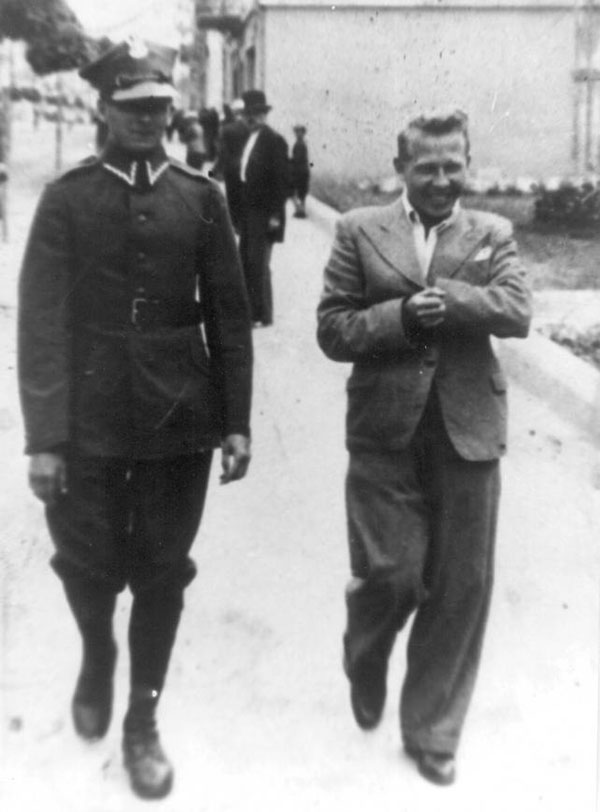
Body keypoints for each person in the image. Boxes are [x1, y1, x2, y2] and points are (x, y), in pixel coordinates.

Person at [17, 37, 252, 801]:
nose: (148, 119)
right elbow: (40, 323)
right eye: (133, 107)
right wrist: (45, 438)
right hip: (86, 418)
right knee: (85, 562)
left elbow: (230, 316)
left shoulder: (201, 197)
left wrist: (236, 421)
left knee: (162, 571)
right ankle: (97, 656)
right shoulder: (68, 198)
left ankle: (142, 721)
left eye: (158, 107)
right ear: (104, 109)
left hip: (178, 418)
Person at [316, 108, 531, 786]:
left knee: (462, 586)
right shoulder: (359, 229)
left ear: (468, 165)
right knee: (393, 575)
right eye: (427, 167)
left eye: (453, 167)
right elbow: (332, 328)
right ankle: (366, 648)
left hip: (469, 428)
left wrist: (455, 301)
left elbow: (517, 310)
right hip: (384, 431)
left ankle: (432, 730)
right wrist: (401, 318)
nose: (441, 180)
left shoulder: (492, 232)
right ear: (401, 167)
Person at [238, 89, 289, 327]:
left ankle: (261, 314)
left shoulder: (274, 140)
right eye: (249, 113)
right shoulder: (249, 138)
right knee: (247, 260)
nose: (253, 118)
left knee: (258, 263)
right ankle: (254, 312)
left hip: (265, 212)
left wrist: (275, 216)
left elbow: (281, 182)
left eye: (258, 113)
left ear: (264, 114)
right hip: (250, 210)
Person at [212, 98, 249, 232]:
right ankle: (244, 223)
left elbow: (222, 152)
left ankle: (235, 224)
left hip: (231, 168)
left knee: (232, 196)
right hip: (246, 166)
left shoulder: (227, 129)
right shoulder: (249, 128)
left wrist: (214, 171)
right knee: (244, 194)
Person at [290, 125, 310, 218]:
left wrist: (289, 162)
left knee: (297, 191)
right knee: (301, 192)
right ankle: (301, 210)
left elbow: (297, 159)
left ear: (303, 133)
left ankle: (300, 211)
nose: (298, 134)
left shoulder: (299, 144)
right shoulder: (301, 143)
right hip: (303, 171)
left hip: (299, 171)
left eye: (300, 132)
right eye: (297, 132)